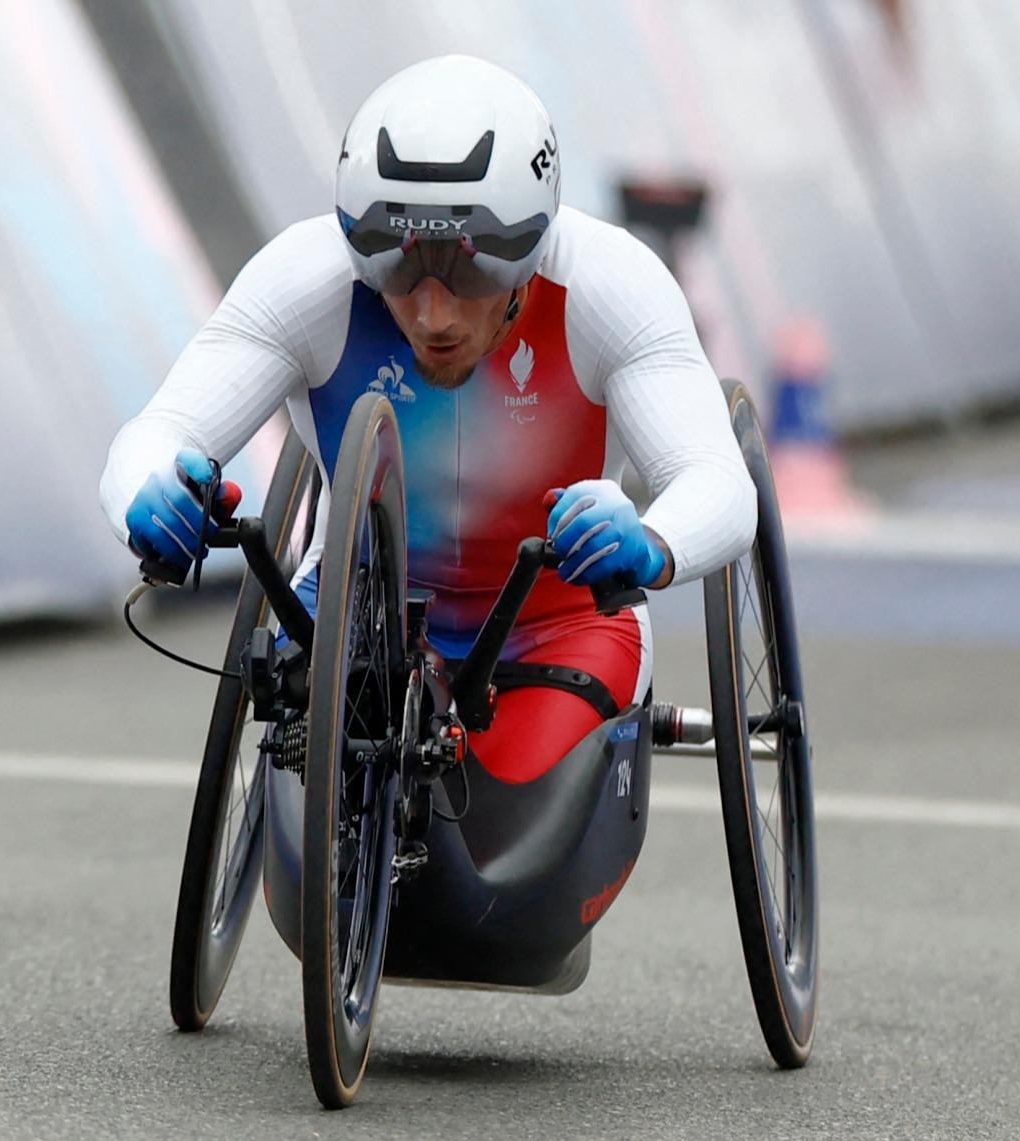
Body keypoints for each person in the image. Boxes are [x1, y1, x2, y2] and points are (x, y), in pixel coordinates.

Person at [101, 55, 754, 784]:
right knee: (327, 815)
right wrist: (151, 492)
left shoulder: (610, 285)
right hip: (351, 615)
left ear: (531, 243)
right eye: (397, 265)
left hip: (558, 624)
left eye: (469, 268)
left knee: (492, 853)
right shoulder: (302, 279)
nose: (431, 312)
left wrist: (654, 542)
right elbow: (160, 431)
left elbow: (717, 480)